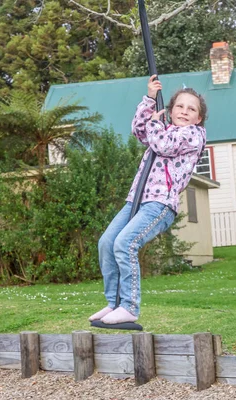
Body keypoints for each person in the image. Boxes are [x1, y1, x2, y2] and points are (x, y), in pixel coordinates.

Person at [89, 75, 207, 324]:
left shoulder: (193, 136)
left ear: (199, 118)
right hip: (136, 200)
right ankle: (114, 304)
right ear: (171, 110)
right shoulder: (162, 129)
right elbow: (140, 131)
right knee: (106, 242)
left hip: (160, 204)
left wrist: (156, 125)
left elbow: (163, 145)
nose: (184, 112)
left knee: (125, 244)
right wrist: (150, 99)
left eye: (191, 109)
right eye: (179, 106)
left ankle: (129, 307)